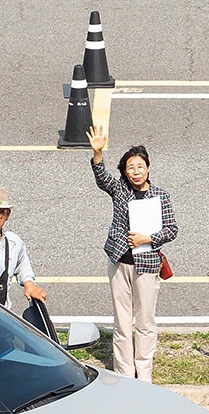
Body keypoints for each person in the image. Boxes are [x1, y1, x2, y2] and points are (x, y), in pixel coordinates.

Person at [88, 125, 178, 382]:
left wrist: (149, 238)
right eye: (130, 168)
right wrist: (97, 154)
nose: (135, 172)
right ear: (124, 171)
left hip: (147, 265)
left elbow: (172, 229)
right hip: (119, 262)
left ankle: (144, 374)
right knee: (122, 321)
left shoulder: (160, 195)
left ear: (148, 168)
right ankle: (125, 373)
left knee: (146, 322)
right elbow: (102, 178)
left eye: (140, 166)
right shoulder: (121, 191)